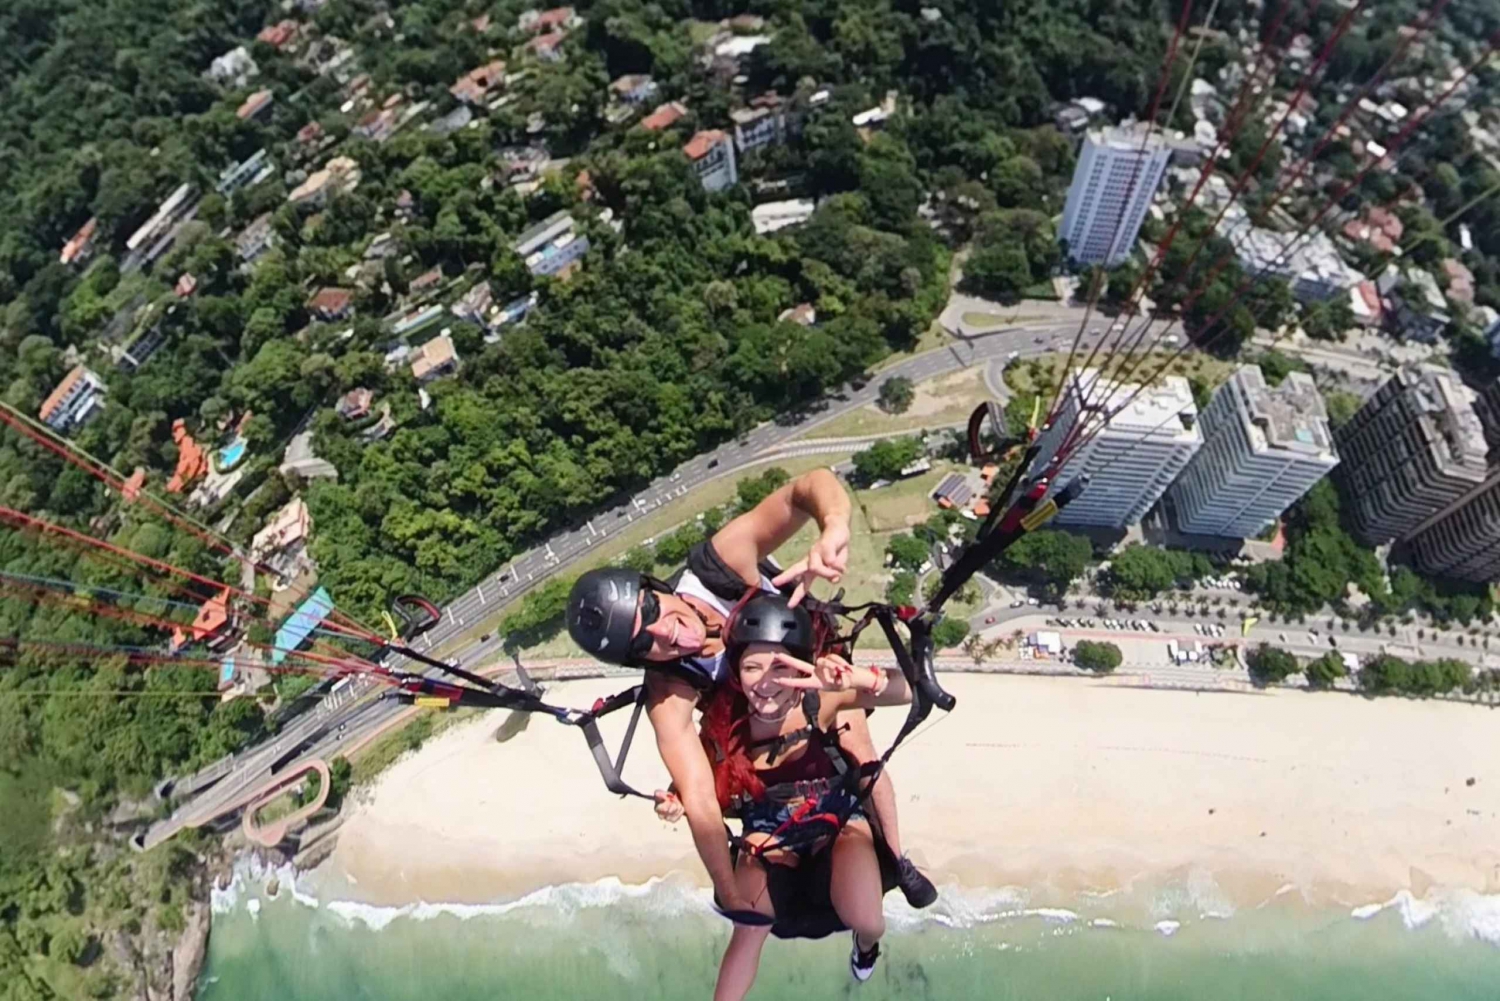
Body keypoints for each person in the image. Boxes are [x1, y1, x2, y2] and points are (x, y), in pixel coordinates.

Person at [566, 470, 937, 918]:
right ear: (639, 659)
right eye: (643, 643)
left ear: (654, 588)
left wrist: (833, 526)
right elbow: (701, 798)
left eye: (649, 609)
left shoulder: (717, 568)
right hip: (760, 707)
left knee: (859, 750)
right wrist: (728, 892)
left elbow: (807, 488)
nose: (664, 631)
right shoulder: (669, 690)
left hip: (817, 666)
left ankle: (897, 858)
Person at [655, 591, 912, 998]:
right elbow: (697, 781)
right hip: (768, 830)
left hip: (837, 818)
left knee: (869, 920)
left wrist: (858, 679)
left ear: (800, 665)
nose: (766, 681)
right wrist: (674, 800)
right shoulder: (725, 723)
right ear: (737, 674)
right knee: (747, 932)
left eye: (780, 666)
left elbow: (910, 691)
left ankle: (866, 949)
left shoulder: (821, 699)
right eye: (752, 667)